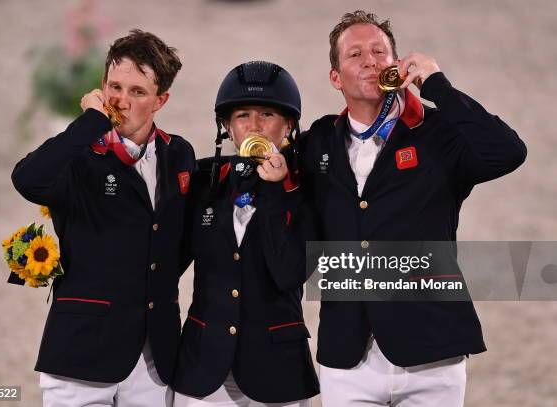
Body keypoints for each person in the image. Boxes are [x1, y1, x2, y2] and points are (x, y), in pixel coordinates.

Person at [299, 10, 527, 407]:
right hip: (348, 357)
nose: (370, 60)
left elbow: (507, 153)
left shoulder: (439, 135)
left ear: (397, 65)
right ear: (335, 77)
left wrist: (437, 85)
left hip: (433, 354)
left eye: (379, 51)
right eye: (355, 54)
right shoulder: (318, 142)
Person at [10, 29, 195, 406]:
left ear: (161, 100)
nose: (121, 101)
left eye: (137, 92)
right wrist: (90, 123)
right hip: (80, 353)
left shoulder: (180, 154)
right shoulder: (78, 152)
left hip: (154, 360)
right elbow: (27, 180)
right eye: (114, 87)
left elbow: (182, 238)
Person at [172, 61, 320, 407]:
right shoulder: (203, 182)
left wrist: (272, 191)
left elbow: (288, 273)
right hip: (203, 368)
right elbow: (167, 259)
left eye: (267, 114)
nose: (254, 126)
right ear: (227, 126)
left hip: (276, 370)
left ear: (289, 126)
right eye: (242, 116)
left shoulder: (309, 192)